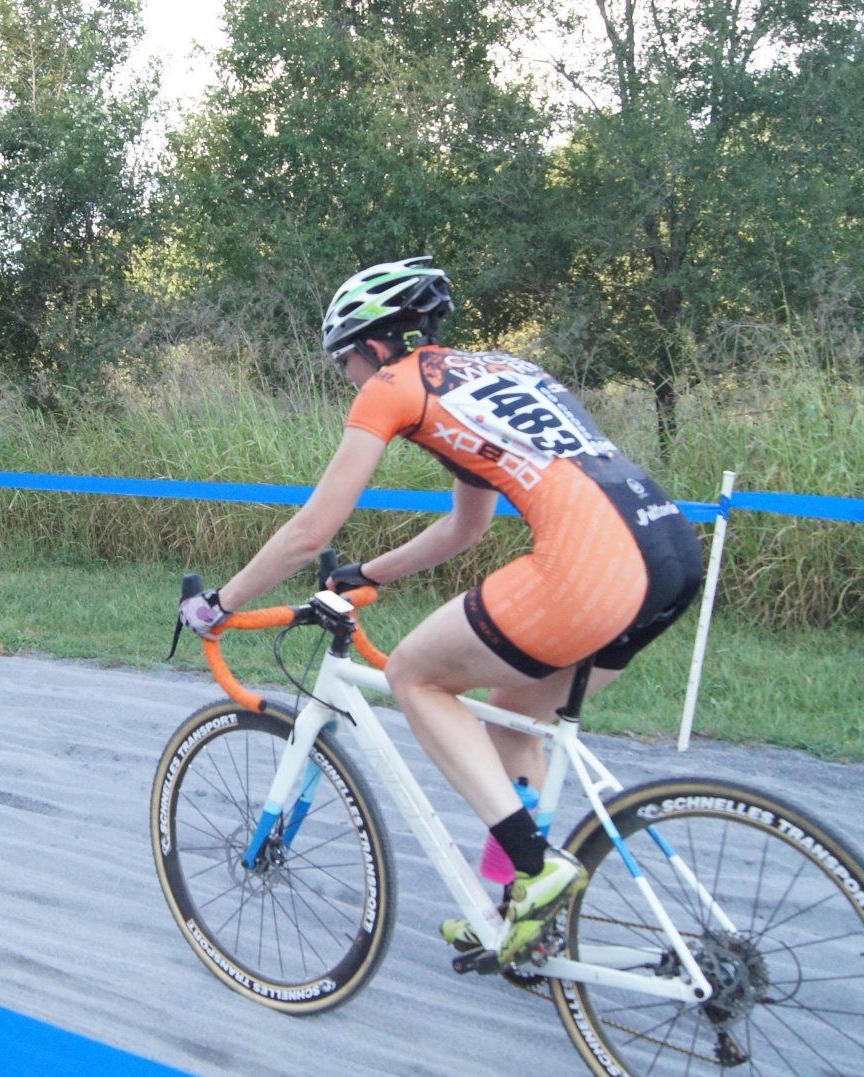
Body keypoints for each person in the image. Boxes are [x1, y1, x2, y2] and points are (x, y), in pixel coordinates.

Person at [178, 257, 704, 964]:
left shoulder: (391, 388)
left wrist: (219, 603)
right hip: (669, 547)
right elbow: (466, 529)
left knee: (415, 675)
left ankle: (540, 867)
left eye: (345, 364)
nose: (349, 380)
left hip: (592, 565)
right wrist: (368, 572)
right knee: (516, 722)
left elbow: (310, 531)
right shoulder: (496, 373)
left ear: (370, 346)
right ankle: (521, 909)